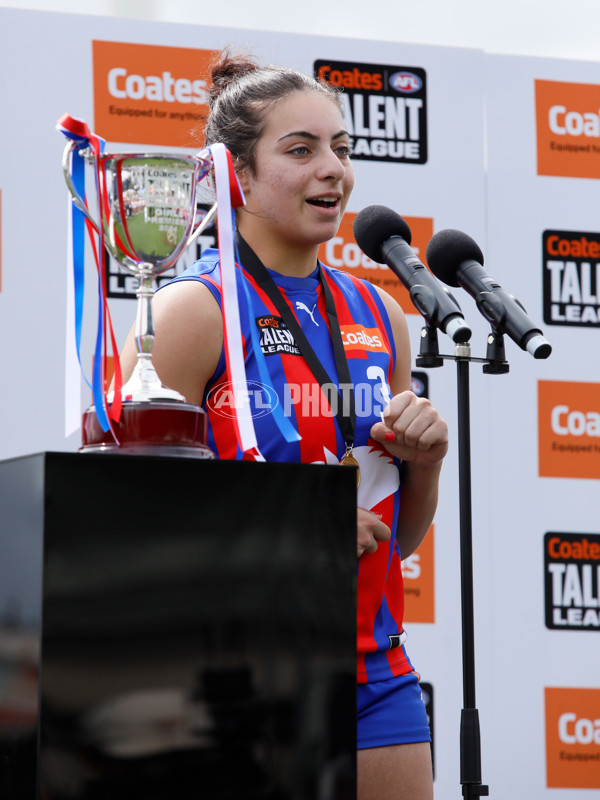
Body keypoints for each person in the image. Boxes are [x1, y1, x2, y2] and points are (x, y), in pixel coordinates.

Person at [119, 50, 448, 800]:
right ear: (234, 174)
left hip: (374, 665)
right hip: (231, 669)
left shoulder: (381, 315)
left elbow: (396, 538)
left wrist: (425, 461)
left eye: (341, 147)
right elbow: (126, 520)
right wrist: (287, 518)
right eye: (300, 150)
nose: (333, 169)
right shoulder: (191, 312)